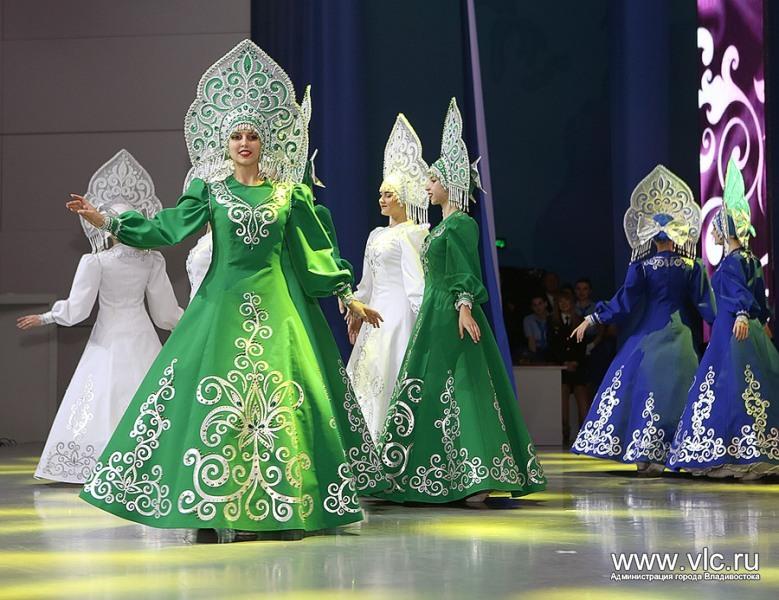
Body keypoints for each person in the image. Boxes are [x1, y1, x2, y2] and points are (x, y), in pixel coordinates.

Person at [69, 40, 385, 539]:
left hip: (277, 307)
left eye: (252, 135)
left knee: (280, 403)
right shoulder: (210, 191)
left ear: (264, 143)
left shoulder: (289, 195)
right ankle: (211, 503)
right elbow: (167, 228)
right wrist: (108, 221)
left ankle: (283, 504)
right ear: (224, 143)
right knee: (216, 401)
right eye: (236, 135)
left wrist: (346, 295)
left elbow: (314, 254)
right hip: (221, 304)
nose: (244, 143)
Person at [375, 98, 546, 504]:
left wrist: (465, 307)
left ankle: (477, 473)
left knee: (466, 388)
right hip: (434, 313)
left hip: (452, 311)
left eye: (433, 180)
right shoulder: (441, 226)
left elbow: (465, 271)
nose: (428, 186)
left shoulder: (462, 224)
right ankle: (429, 473)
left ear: (450, 184)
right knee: (434, 389)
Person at [17, 149, 183, 483]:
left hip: (107, 339)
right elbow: (166, 313)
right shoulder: (152, 261)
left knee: (101, 398)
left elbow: (77, 309)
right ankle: (148, 462)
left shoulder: (96, 262)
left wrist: (48, 317)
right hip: (142, 338)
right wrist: (193, 323)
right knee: (145, 395)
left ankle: (100, 463)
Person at [570, 165, 715, 476]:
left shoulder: (643, 267)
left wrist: (592, 318)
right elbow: (706, 305)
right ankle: (672, 453)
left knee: (638, 385)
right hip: (681, 336)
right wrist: (728, 326)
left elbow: (623, 302)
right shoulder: (692, 267)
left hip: (648, 336)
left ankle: (642, 452)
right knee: (680, 390)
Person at [667, 159, 779, 479]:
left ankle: (736, 457)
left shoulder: (730, 262)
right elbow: (759, 296)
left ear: (725, 230)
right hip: (749, 329)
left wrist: (742, 314)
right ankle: (749, 454)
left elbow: (739, 294)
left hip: (733, 331)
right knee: (751, 389)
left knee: (729, 388)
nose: (713, 232)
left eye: (716, 227)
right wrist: (762, 320)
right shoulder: (751, 258)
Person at [346, 114, 428, 443]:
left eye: (389, 194)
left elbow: (417, 283)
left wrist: (425, 322)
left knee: (393, 374)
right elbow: (367, 283)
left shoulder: (413, 234)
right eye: (381, 193)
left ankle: (395, 443)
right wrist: (355, 307)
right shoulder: (376, 234)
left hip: (398, 318)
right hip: (375, 317)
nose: (382, 199)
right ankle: (365, 445)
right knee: (368, 376)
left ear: (404, 196)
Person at [547, 291, 588, 446]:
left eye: (566, 301)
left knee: (581, 396)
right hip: (561, 368)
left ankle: (585, 434)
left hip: (578, 367)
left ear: (572, 303)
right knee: (562, 396)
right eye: (560, 301)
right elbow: (552, 345)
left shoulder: (580, 320)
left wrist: (575, 361)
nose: (563, 304)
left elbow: (582, 344)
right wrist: (564, 362)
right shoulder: (552, 322)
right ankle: (564, 432)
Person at [523, 295, 550, 361]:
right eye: (535, 305)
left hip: (552, 349)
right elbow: (531, 341)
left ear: (545, 304)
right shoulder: (528, 320)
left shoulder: (553, 317)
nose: (538, 307)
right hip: (538, 349)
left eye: (540, 304)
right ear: (532, 307)